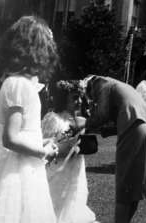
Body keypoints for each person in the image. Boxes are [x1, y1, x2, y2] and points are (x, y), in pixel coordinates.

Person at [0, 16, 59, 223]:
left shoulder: (15, 82)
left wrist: (39, 141)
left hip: (16, 161)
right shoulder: (19, 84)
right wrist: (43, 151)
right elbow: (10, 139)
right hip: (16, 169)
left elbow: (20, 131)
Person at [84, 75, 146, 223]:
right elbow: (117, 116)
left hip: (134, 131)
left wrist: (84, 123)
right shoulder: (121, 86)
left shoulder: (102, 84)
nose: (93, 99)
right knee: (135, 188)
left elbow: (102, 115)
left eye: (91, 96)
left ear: (91, 86)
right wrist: (102, 130)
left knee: (124, 188)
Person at [42, 80, 96, 223]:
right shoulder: (53, 119)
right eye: (74, 98)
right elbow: (46, 147)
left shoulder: (79, 119)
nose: (78, 101)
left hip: (75, 167)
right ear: (63, 99)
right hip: (58, 168)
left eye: (80, 97)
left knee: (74, 199)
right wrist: (68, 147)